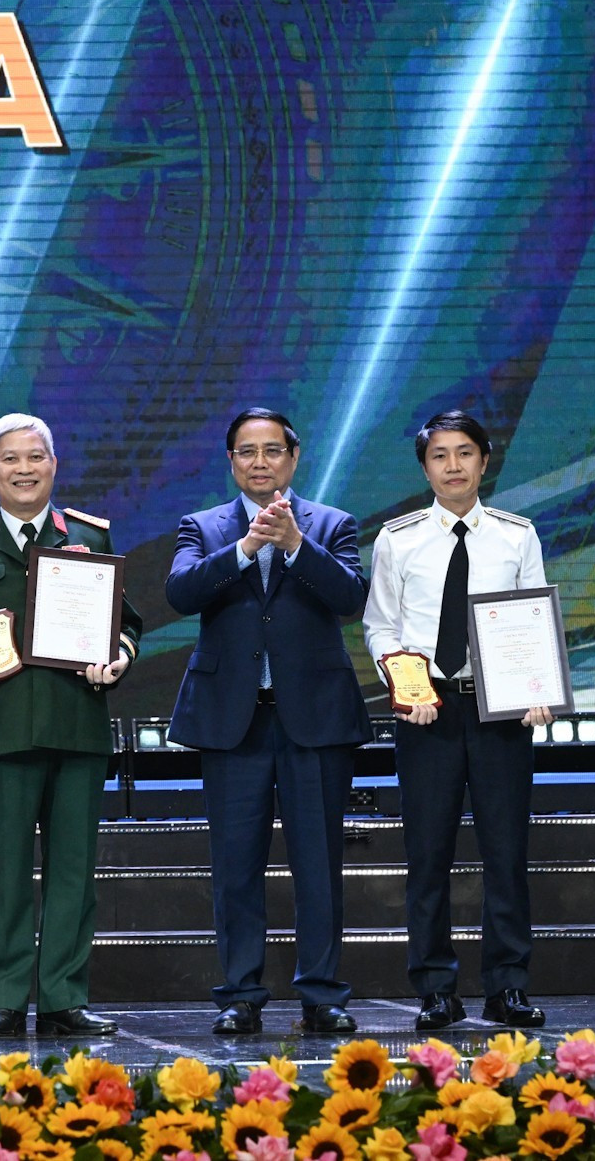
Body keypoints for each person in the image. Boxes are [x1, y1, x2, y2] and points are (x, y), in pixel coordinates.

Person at [0, 413, 142, 1038]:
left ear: (53, 464)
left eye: (34, 457)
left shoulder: (89, 539)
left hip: (77, 728)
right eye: (9, 459)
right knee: (5, 872)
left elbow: (129, 625)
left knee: (74, 871)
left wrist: (117, 656)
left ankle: (65, 998)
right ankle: (6, 998)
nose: (23, 469)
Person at [166, 408, 370, 1036]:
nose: (260, 462)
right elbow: (180, 593)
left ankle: (323, 994)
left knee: (319, 864)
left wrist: (294, 547)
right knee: (235, 866)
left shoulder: (331, 524)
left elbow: (351, 599)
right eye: (247, 452)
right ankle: (240, 994)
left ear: (294, 457)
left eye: (272, 450)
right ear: (231, 462)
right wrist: (247, 547)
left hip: (314, 719)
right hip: (234, 721)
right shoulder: (201, 526)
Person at [363, 410, 553, 1030]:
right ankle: (435, 988)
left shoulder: (517, 535)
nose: (453, 466)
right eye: (440, 456)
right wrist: (404, 686)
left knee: (506, 853)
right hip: (428, 712)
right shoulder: (398, 538)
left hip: (501, 711)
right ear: (425, 467)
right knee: (428, 855)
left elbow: (533, 620)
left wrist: (538, 688)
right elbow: (381, 625)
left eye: (464, 453)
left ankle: (508, 986)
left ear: (484, 461)